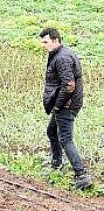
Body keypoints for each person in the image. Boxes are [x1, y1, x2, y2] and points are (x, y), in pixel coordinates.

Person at [39, 28, 93, 190]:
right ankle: (57, 165)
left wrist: (57, 105)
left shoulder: (62, 58)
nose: (43, 45)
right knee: (51, 131)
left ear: (56, 40)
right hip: (64, 104)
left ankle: (81, 174)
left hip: (66, 105)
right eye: (42, 42)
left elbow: (69, 86)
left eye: (46, 42)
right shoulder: (60, 54)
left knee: (65, 139)